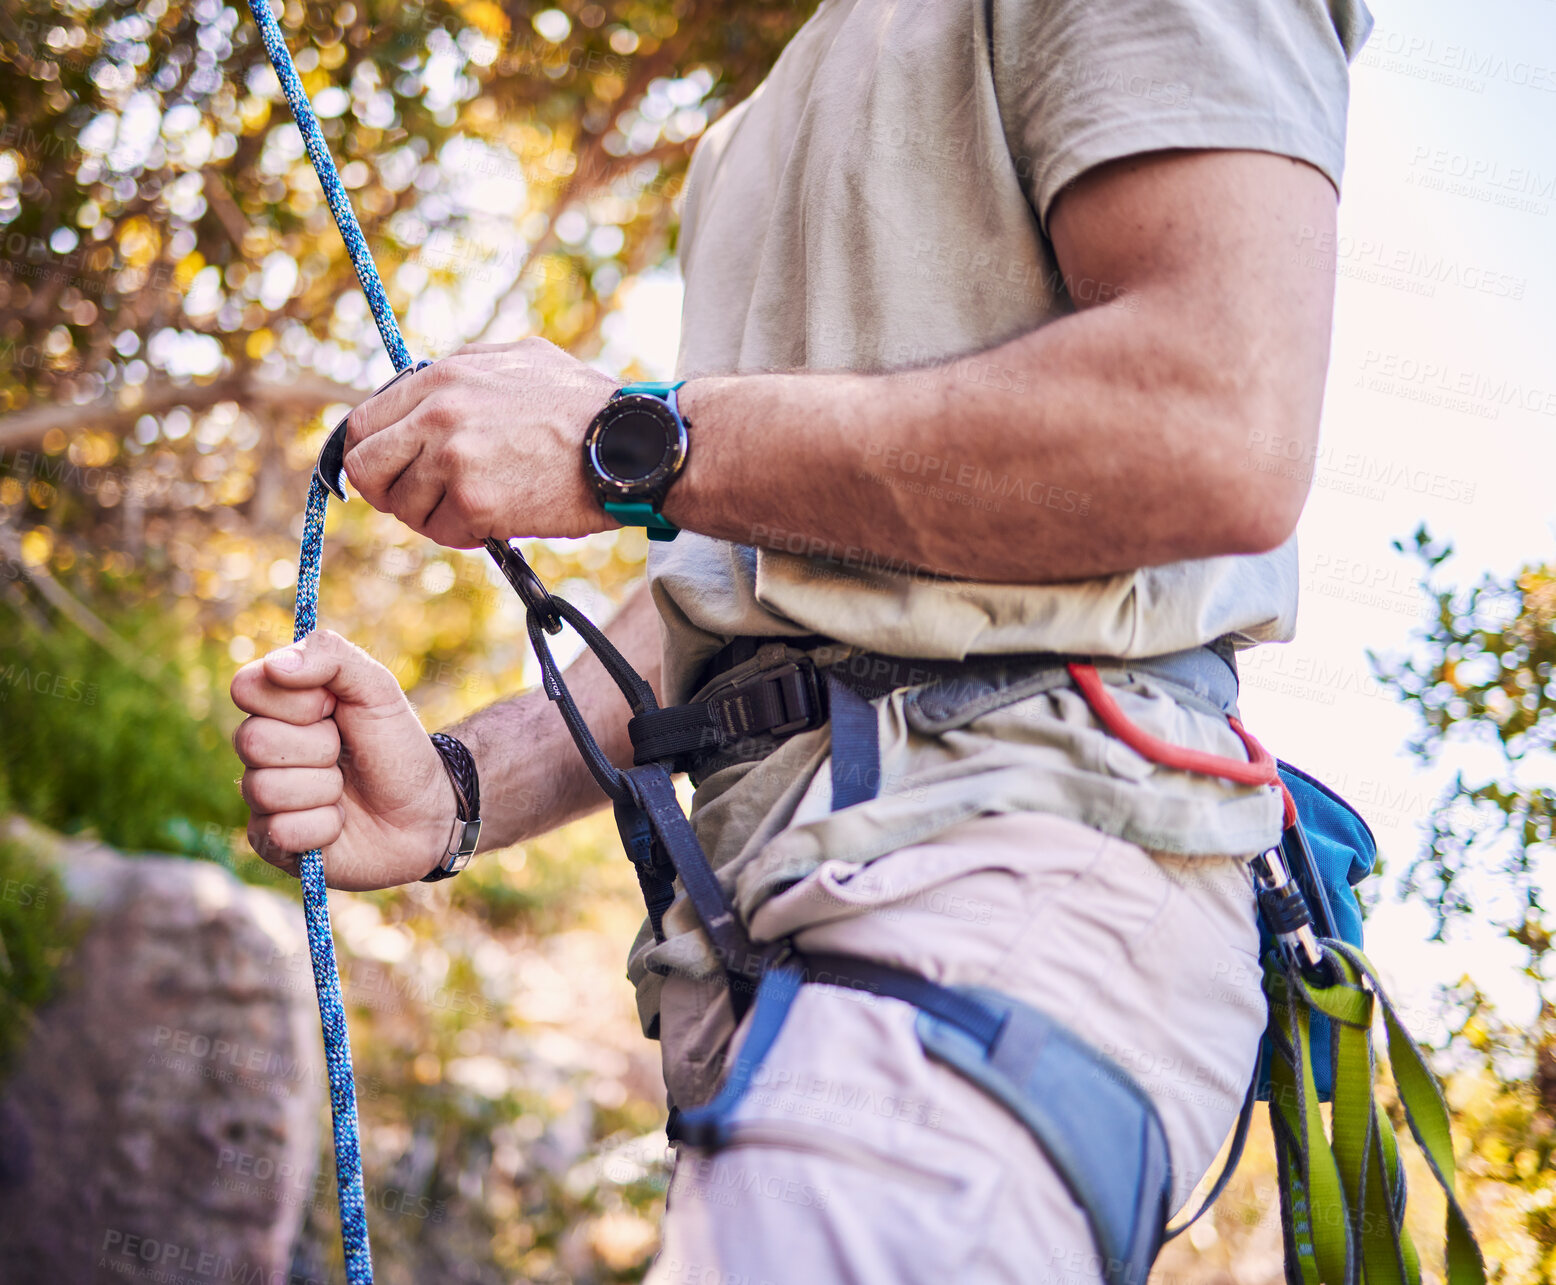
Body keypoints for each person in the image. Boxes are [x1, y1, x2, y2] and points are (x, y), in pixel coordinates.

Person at [231, 0, 1373, 1279]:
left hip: (1001, 847)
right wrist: (456, 790)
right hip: (760, 930)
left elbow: (1211, 423)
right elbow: (744, 575)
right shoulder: (759, 120)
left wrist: (622, 441)